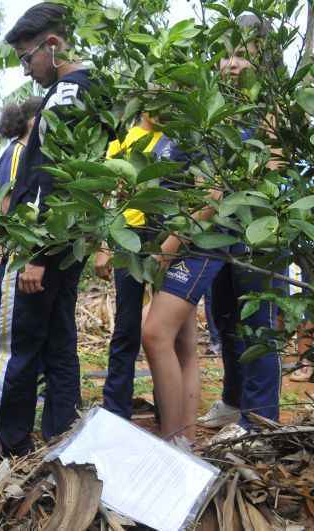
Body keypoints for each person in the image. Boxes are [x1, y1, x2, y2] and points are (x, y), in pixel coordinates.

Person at [144, 13, 282, 442]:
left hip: (252, 232)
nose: (233, 64)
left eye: (244, 55)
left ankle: (259, 420)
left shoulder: (270, 109)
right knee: (225, 319)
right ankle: (234, 401)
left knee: (257, 323)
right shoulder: (219, 108)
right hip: (214, 235)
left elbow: (267, 169)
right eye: (227, 55)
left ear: (265, 58)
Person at [0, 3, 96, 457]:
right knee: (60, 341)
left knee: (16, 344)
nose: (27, 71)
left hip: (42, 244)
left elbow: (54, 179)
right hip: (70, 244)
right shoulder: (93, 90)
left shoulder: (67, 96)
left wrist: (35, 254)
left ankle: (8, 442)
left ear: (52, 45)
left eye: (27, 58)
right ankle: (62, 436)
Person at [94, 113, 166, 420]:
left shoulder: (177, 140)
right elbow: (107, 200)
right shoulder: (122, 144)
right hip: (129, 239)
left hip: (167, 237)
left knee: (167, 328)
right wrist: (102, 247)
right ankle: (115, 407)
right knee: (127, 324)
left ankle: (169, 406)